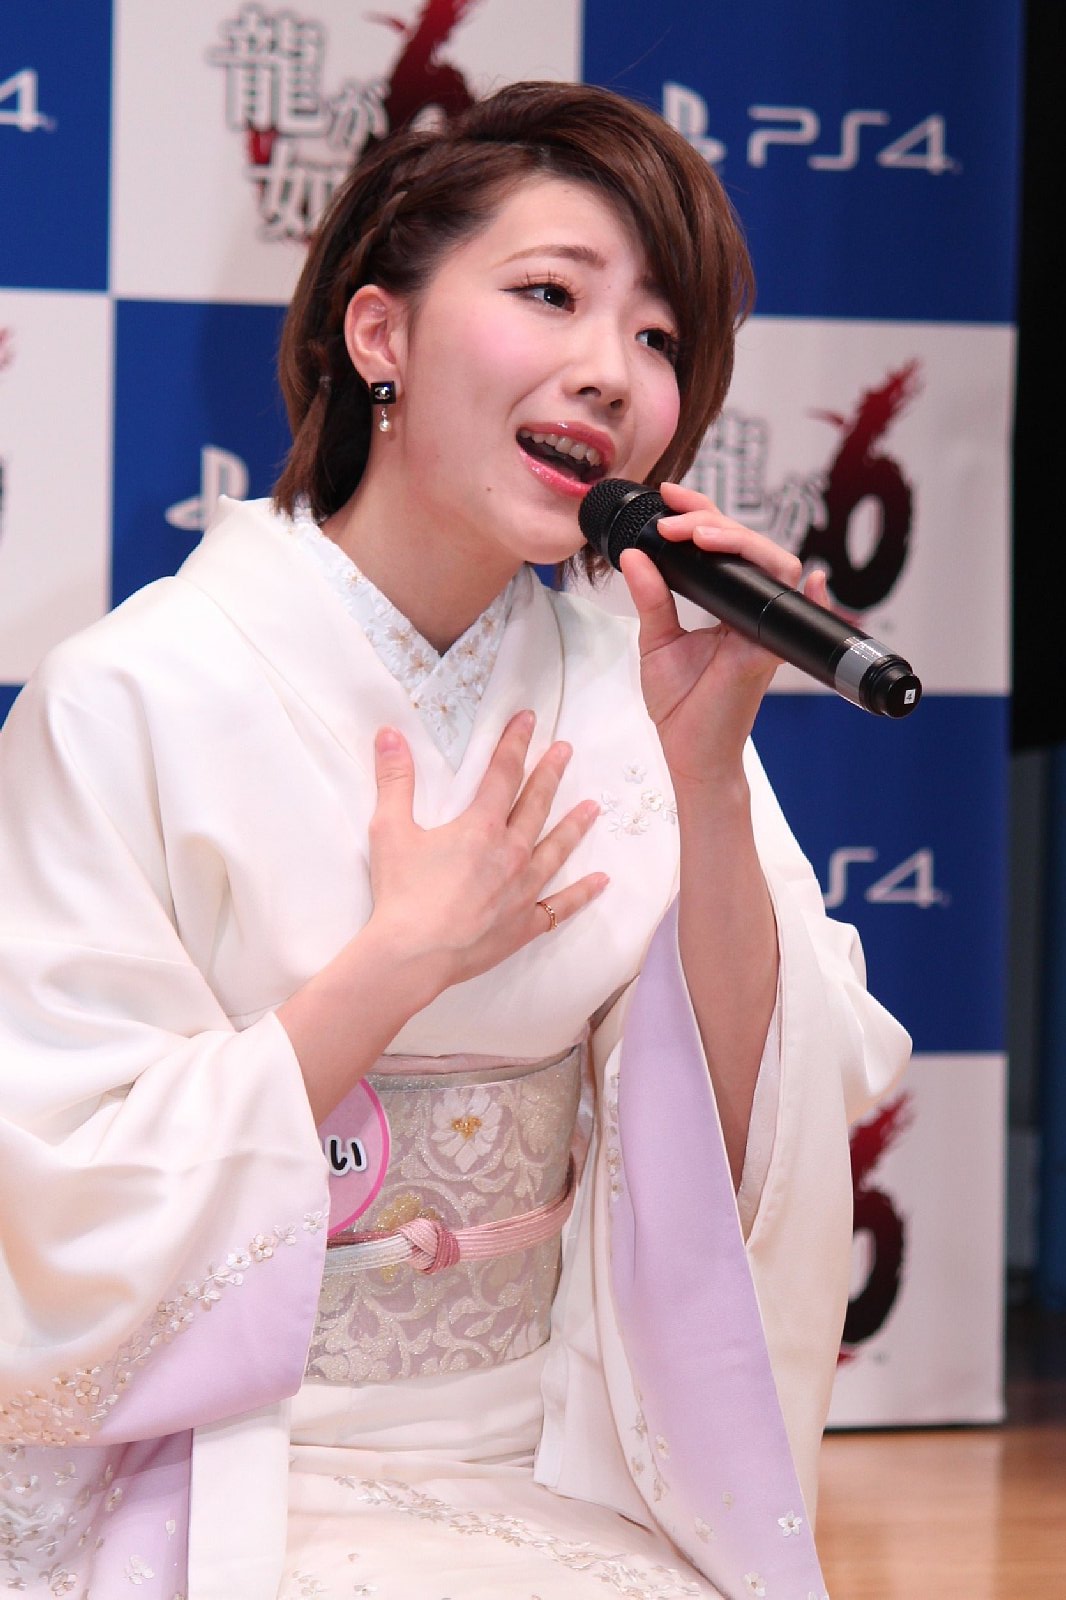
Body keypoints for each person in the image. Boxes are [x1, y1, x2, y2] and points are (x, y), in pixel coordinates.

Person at [0, 81, 909, 1600]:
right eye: (550, 293)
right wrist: (400, 960)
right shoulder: (131, 694)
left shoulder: (635, 688)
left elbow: (756, 1125)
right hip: (219, 1460)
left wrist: (704, 778)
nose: (609, 370)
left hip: (549, 1457)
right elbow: (47, 1184)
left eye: (658, 338)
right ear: (381, 337)